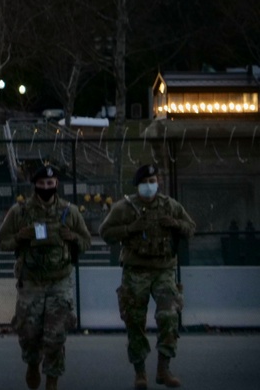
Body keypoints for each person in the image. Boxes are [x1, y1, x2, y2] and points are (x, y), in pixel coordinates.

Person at [99, 163, 196, 389]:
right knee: (134, 321)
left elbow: (191, 228)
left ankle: (164, 369)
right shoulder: (124, 208)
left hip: (164, 270)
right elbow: (105, 233)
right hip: (136, 271)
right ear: (138, 185)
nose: (149, 186)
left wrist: (176, 224)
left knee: (169, 317)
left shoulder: (170, 206)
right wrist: (130, 229)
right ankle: (140, 372)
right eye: (145, 182)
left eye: (153, 181)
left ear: (158, 182)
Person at [0, 164, 91, 390]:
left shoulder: (70, 211)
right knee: (29, 333)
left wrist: (73, 238)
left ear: (56, 184)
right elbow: (2, 242)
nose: (47, 187)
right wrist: (20, 237)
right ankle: (32, 363)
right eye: (42, 183)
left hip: (60, 282)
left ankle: (52, 380)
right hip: (31, 282)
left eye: (50, 183)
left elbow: (86, 242)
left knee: (56, 335)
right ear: (35, 185)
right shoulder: (20, 212)